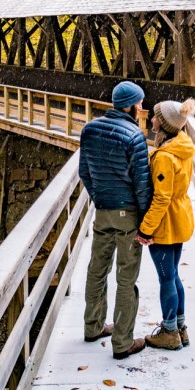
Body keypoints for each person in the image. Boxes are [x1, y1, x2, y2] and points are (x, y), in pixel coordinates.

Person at [78, 81, 152, 359]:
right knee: (126, 277)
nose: (141, 108)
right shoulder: (134, 136)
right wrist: (145, 223)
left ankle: (93, 326)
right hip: (127, 213)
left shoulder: (90, 129)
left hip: (103, 210)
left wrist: (100, 197)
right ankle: (122, 342)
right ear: (132, 105)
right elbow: (141, 184)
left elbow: (84, 171)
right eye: (140, 103)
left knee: (97, 269)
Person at [137, 98, 195, 351]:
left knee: (166, 279)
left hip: (166, 224)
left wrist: (145, 228)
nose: (150, 118)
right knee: (173, 276)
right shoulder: (183, 147)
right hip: (181, 217)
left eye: (154, 116)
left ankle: (170, 332)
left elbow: (161, 197)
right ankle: (180, 328)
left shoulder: (164, 157)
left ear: (162, 124)